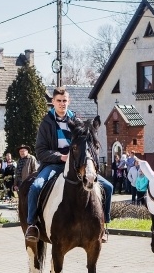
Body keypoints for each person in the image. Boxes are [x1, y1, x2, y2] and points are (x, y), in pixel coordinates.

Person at [25, 86, 113, 243]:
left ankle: (104, 224)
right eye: (59, 101)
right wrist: (61, 157)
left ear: (69, 101)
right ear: (53, 102)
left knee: (108, 187)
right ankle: (32, 225)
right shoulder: (46, 123)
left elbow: (87, 143)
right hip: (53, 165)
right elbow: (40, 151)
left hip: (77, 165)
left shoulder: (77, 121)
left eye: (64, 100)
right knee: (36, 187)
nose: (62, 104)